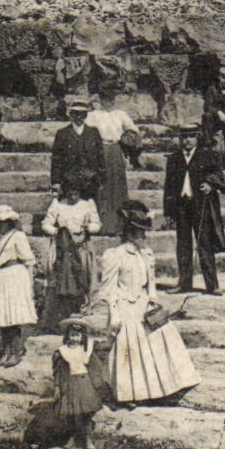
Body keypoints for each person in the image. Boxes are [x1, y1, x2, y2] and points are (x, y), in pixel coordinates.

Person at [94, 201, 201, 403]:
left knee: (162, 338)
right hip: (124, 306)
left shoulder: (146, 253)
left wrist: (153, 298)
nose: (143, 236)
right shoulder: (114, 255)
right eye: (139, 232)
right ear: (128, 233)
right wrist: (114, 314)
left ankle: (168, 386)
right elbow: (109, 289)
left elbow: (151, 281)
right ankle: (129, 394)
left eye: (143, 232)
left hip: (143, 304)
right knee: (129, 349)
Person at [163, 123, 225, 295]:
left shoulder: (207, 156)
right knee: (183, 245)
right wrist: (168, 211)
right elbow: (168, 186)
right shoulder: (174, 158)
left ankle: (212, 285)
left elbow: (220, 177)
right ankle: (184, 283)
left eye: (191, 136)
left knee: (205, 244)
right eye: (184, 137)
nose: (187, 140)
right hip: (181, 206)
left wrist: (210, 185)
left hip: (201, 206)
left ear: (197, 138)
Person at [40, 179, 101, 332]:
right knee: (59, 275)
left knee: (83, 274)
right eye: (70, 194)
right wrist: (58, 232)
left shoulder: (87, 204)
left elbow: (96, 224)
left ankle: (82, 309)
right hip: (63, 245)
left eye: (76, 194)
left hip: (81, 245)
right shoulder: (58, 204)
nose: (73, 197)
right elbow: (46, 224)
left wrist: (88, 229)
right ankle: (59, 314)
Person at [0, 201, 36, 365]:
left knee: (13, 316)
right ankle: (5, 352)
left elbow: (29, 261)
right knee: (1, 315)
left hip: (15, 275)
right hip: (1, 276)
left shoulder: (18, 236)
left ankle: (15, 352)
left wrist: (30, 285)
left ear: (8, 222)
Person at [85, 91, 141, 233]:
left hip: (116, 150)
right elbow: (85, 132)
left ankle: (119, 225)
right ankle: (101, 224)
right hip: (99, 150)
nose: (109, 101)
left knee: (117, 186)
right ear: (100, 99)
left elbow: (134, 131)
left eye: (111, 98)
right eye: (105, 98)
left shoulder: (120, 114)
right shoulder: (93, 115)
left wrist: (127, 139)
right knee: (101, 186)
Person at [52, 321, 106, 449]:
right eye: (72, 335)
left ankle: (88, 439)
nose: (74, 338)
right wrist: (57, 386)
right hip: (69, 385)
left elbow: (97, 363)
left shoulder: (86, 349)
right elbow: (58, 372)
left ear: (82, 336)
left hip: (85, 384)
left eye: (77, 335)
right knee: (70, 414)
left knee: (86, 414)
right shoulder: (62, 352)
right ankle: (72, 438)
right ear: (67, 336)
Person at [50, 96, 104, 200]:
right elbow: (56, 160)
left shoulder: (93, 133)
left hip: (90, 180)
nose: (79, 117)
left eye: (82, 114)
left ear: (86, 115)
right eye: (75, 114)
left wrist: (101, 179)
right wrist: (56, 182)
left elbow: (100, 157)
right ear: (71, 114)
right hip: (69, 181)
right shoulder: (63, 134)